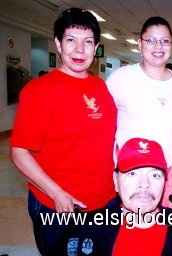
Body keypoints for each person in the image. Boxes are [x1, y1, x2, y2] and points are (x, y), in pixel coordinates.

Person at [9, 8, 120, 255]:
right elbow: (19, 152)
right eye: (71, 40)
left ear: (96, 47)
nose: (80, 50)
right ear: (58, 44)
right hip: (59, 206)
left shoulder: (100, 87)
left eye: (88, 41)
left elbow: (107, 140)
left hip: (104, 202)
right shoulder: (39, 91)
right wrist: (57, 193)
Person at [106, 16, 172, 208]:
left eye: (164, 41)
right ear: (140, 43)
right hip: (134, 175)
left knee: (171, 234)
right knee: (135, 233)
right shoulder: (120, 78)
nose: (158, 46)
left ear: (171, 44)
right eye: (151, 40)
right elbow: (104, 129)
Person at [112, 138, 172, 255]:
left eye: (155, 175)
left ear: (164, 182)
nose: (145, 184)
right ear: (116, 181)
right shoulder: (93, 229)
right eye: (132, 173)